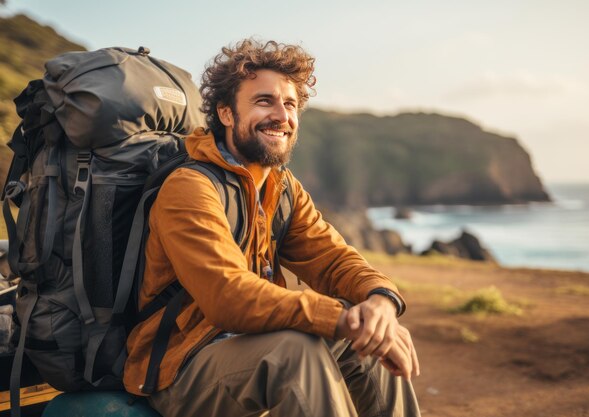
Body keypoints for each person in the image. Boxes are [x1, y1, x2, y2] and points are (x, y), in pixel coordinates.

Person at [123, 39, 421, 417]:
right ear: (227, 114)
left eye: (291, 103)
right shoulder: (190, 187)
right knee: (297, 352)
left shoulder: (281, 189)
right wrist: (342, 317)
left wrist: (380, 301)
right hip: (179, 367)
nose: (282, 115)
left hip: (253, 344)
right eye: (264, 101)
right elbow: (227, 296)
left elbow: (332, 260)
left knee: (376, 339)